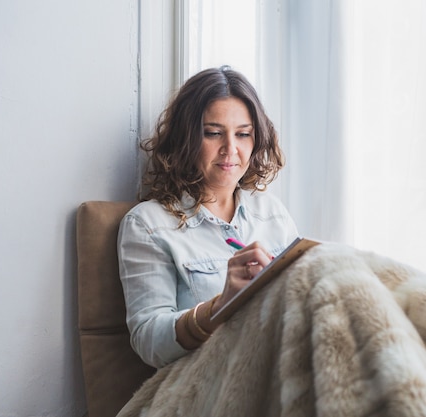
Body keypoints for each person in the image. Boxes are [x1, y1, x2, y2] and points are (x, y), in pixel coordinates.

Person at [117, 66, 299, 368]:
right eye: (213, 133)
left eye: (243, 134)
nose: (231, 149)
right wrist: (219, 304)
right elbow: (148, 341)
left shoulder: (272, 214)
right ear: (185, 138)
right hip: (206, 383)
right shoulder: (148, 225)